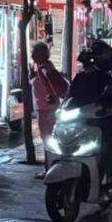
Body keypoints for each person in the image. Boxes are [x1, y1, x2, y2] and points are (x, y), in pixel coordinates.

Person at [68, 41, 112, 207]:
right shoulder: (80, 78)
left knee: (108, 155)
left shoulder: (110, 82)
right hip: (83, 122)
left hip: (106, 125)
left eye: (89, 63)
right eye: (85, 63)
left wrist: (110, 110)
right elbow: (70, 98)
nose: (86, 67)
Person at [31, 42, 69, 177]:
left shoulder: (44, 69)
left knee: (47, 139)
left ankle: (49, 169)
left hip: (46, 109)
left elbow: (55, 85)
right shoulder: (46, 67)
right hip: (48, 108)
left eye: (34, 52)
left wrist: (51, 96)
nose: (32, 55)